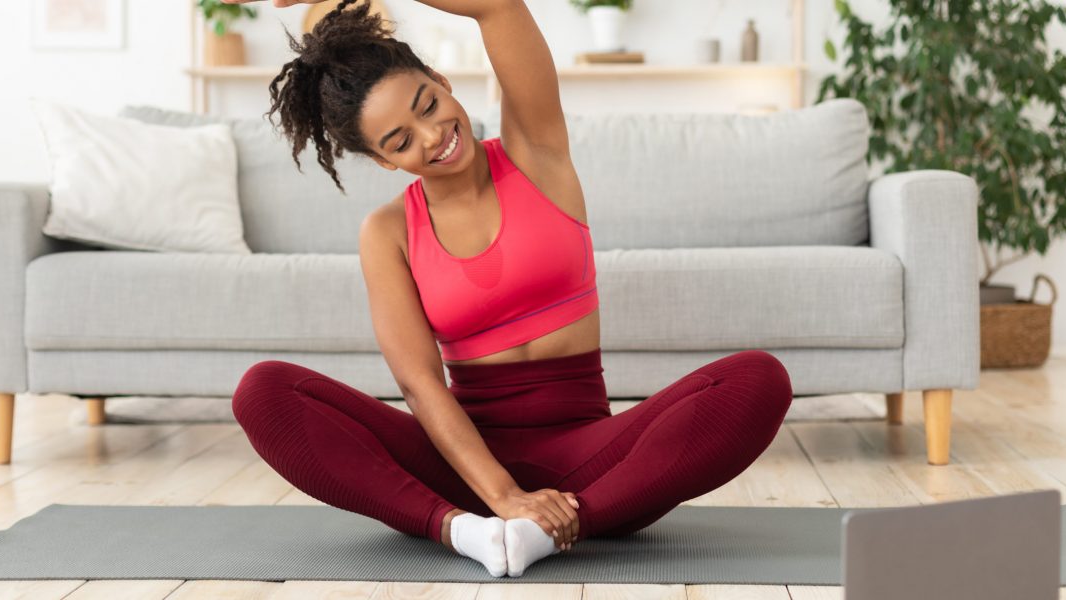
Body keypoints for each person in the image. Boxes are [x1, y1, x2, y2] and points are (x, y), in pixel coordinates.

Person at [224, 0, 794, 578]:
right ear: (382, 160)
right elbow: (419, 385)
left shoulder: (536, 154)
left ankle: (547, 530)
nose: (433, 136)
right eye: (400, 142)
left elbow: (499, 8)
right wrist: (500, 494)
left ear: (445, 84)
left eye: (430, 105)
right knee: (263, 392)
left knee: (757, 379)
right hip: (463, 467)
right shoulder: (387, 231)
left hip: (592, 460)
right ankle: (462, 530)